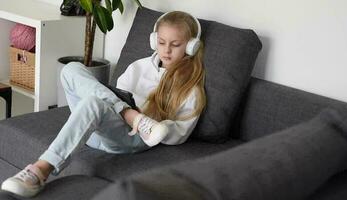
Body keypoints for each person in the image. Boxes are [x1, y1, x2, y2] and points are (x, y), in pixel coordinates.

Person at [1, 10, 206, 198]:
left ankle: (40, 170)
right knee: (71, 68)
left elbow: (180, 133)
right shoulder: (138, 67)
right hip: (99, 127)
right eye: (161, 42)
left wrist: (160, 127)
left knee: (94, 103)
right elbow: (113, 94)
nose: (166, 50)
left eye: (175, 45)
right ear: (154, 41)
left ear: (191, 46)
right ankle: (130, 114)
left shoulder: (190, 88)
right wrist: (127, 109)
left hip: (130, 138)